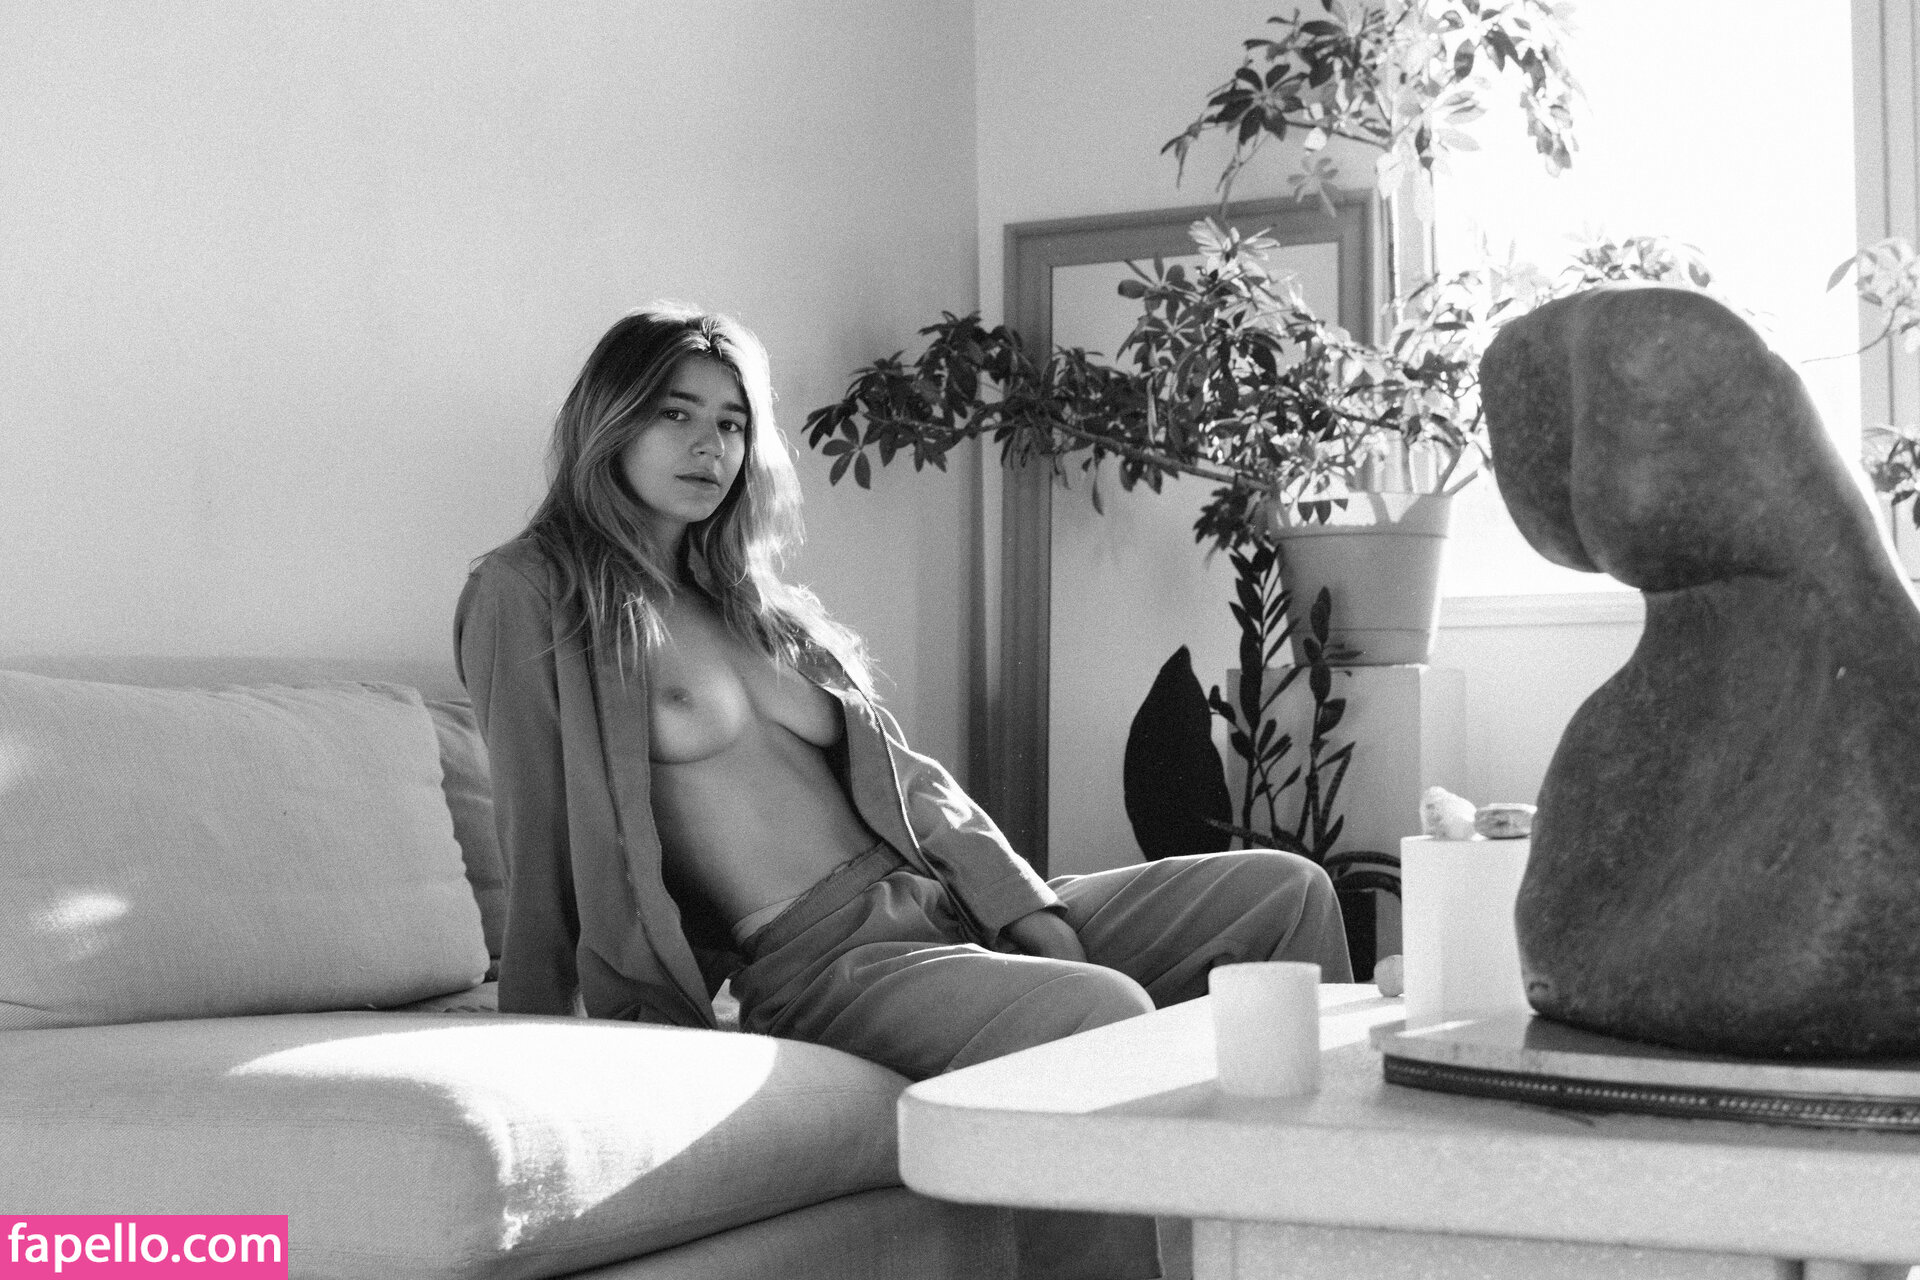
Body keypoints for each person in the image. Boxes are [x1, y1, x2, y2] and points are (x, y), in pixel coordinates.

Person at [455, 305, 1353, 1280]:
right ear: (611, 417)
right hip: (826, 963)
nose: (709, 445)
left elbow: (913, 781)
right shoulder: (531, 591)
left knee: (1285, 891)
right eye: (676, 413)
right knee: (1095, 1012)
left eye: (731, 422)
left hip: (944, 902)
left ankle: (1327, 1249)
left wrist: (1028, 907)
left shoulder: (760, 607)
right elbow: (538, 835)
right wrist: (534, 1049)